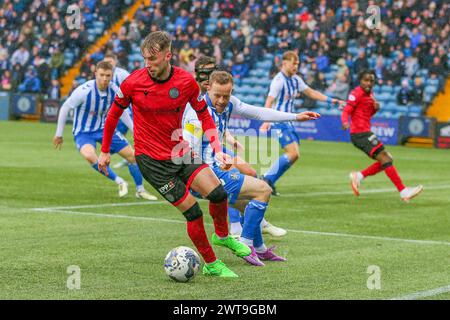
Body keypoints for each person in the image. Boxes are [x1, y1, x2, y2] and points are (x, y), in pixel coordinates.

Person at [99, 31, 251, 278]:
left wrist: (218, 150)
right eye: (145, 58)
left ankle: (223, 236)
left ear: (168, 55)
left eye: (153, 59)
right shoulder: (133, 83)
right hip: (152, 163)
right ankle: (212, 264)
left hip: (180, 152)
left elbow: (204, 114)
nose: (148, 64)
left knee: (219, 194)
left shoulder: (185, 82)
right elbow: (113, 115)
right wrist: (105, 151)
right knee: (193, 213)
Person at [182, 70, 320, 265]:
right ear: (207, 88)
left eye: (226, 95)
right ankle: (246, 246)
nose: (222, 100)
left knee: (249, 206)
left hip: (216, 167)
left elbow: (259, 112)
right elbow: (189, 151)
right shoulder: (195, 114)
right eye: (217, 95)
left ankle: (261, 248)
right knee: (263, 190)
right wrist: (205, 180)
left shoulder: (230, 103)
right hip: (204, 176)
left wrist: (296, 116)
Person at [194, 56, 287, 238]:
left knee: (250, 172)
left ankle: (257, 223)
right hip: (202, 155)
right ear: (198, 75)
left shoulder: (219, 95)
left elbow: (218, 122)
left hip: (216, 148)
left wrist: (228, 138)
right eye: (205, 72)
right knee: (234, 177)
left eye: (212, 70)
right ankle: (237, 228)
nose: (209, 75)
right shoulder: (194, 99)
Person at [53, 61, 157, 200]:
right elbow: (66, 107)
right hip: (83, 132)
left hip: (104, 129)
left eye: (108, 75)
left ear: (112, 75)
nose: (104, 79)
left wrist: (134, 130)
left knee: (133, 156)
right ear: (95, 74)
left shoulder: (114, 90)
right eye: (101, 75)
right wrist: (59, 134)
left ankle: (140, 190)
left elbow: (123, 111)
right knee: (90, 156)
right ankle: (119, 181)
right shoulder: (84, 91)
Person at [259, 51, 345, 195]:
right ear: (285, 63)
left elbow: (311, 93)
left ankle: (269, 180)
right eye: (293, 64)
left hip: (288, 122)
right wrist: (266, 121)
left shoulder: (295, 79)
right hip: (278, 121)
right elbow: (269, 100)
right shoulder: (278, 80)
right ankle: (266, 179)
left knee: (295, 155)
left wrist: (332, 100)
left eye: (297, 64)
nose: (296, 67)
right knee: (292, 153)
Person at [341, 70, 423, 202]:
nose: (368, 83)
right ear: (360, 81)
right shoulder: (356, 94)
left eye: (371, 81)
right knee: (385, 158)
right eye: (365, 80)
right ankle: (403, 191)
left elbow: (366, 115)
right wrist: (345, 122)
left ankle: (359, 176)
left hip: (365, 132)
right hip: (359, 134)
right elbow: (347, 110)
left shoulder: (370, 94)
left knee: (387, 159)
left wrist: (375, 109)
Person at [103, 53, 133, 169]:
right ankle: (128, 157)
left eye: (110, 62)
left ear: (115, 62)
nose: (108, 64)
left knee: (118, 137)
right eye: (106, 62)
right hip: (116, 112)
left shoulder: (122, 74)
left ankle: (127, 157)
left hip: (126, 111)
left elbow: (132, 87)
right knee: (120, 136)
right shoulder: (105, 75)